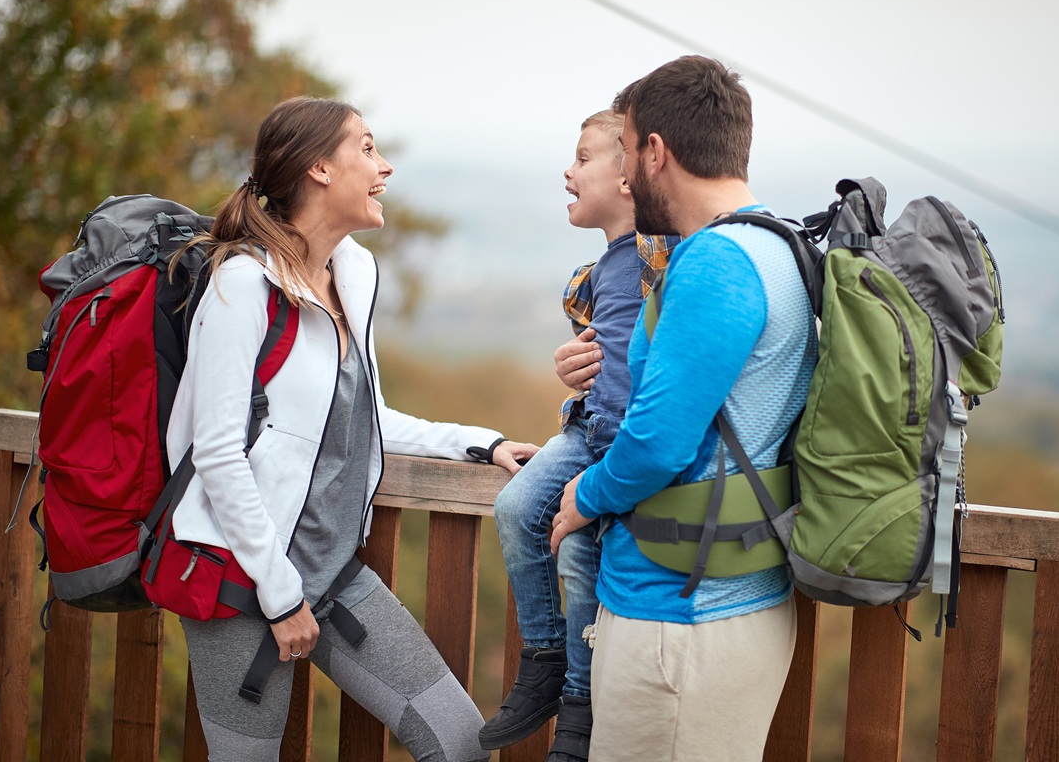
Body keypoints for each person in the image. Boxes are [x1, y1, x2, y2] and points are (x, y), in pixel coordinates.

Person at [166, 95, 537, 761]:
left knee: (459, 744)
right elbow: (217, 452)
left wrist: (477, 443)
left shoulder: (354, 273)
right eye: (366, 148)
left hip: (331, 573)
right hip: (238, 578)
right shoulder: (242, 288)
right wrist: (279, 598)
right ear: (317, 170)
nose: (384, 166)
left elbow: (362, 413)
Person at [549, 56, 818, 760]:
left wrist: (586, 494)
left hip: (679, 618)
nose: (627, 176)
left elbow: (659, 442)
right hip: (736, 592)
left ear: (656, 152)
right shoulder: (776, 246)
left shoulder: (712, 264)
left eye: (631, 152)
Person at [480, 110, 676, 762]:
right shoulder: (604, 270)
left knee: (576, 555)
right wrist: (576, 359)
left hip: (620, 445)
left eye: (583, 157)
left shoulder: (663, 253)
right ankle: (544, 655)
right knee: (513, 507)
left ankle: (577, 707)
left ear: (627, 180)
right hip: (588, 429)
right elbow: (607, 351)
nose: (568, 170)